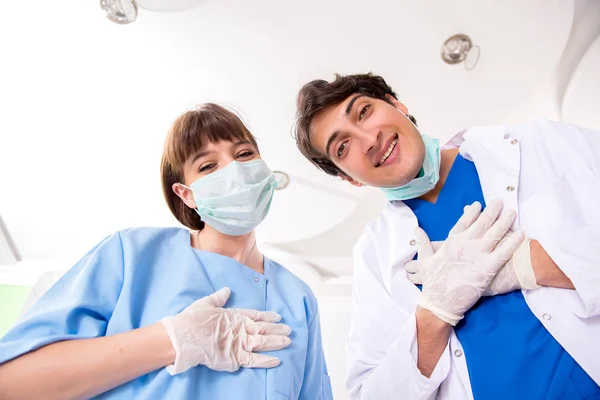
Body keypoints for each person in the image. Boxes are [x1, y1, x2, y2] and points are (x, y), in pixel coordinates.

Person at [293, 73, 600, 399]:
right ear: (349, 178)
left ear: (397, 104)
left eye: (364, 112)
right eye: (343, 147)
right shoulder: (375, 254)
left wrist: (524, 264)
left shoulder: (541, 142)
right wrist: (435, 310)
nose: (368, 140)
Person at [0, 103, 333, 400]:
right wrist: (174, 339)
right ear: (187, 195)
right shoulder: (133, 254)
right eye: (207, 166)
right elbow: (12, 384)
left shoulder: (298, 299)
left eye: (244, 154)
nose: (234, 170)